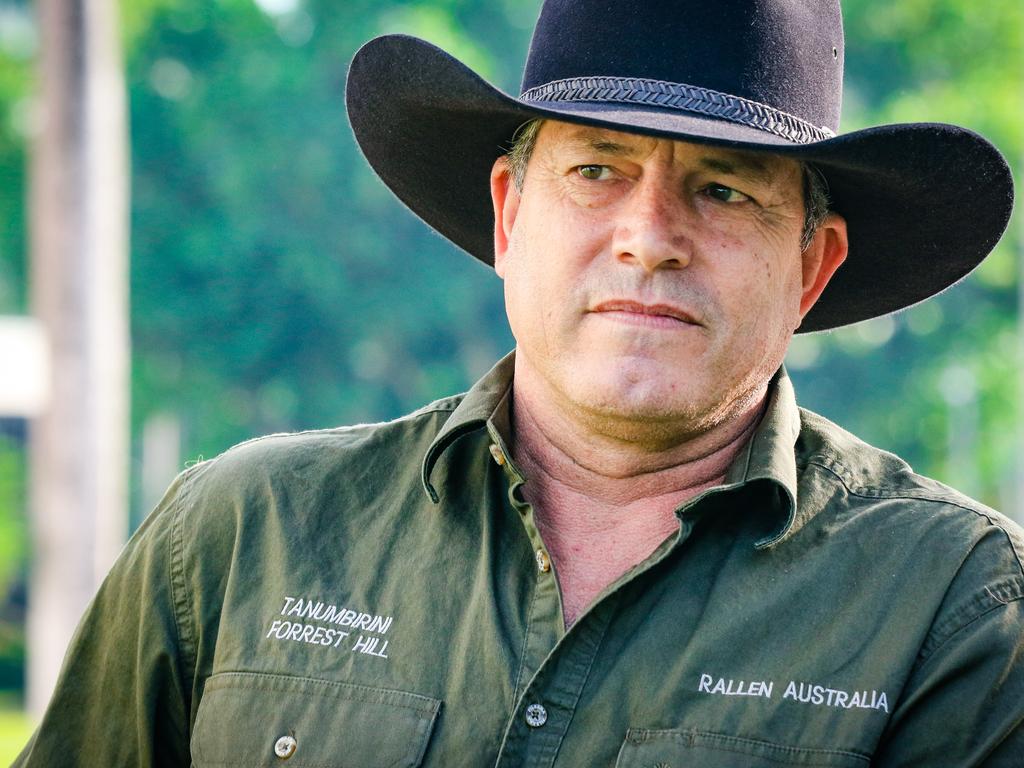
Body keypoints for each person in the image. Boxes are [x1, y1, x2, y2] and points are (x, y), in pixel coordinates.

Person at [17, 0, 1023, 765]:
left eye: (722, 189)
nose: (648, 238)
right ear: (508, 217)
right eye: (597, 171)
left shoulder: (958, 609)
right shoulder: (241, 534)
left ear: (813, 267)